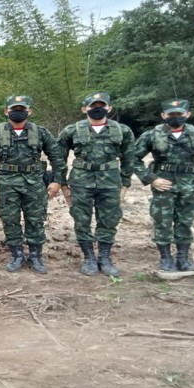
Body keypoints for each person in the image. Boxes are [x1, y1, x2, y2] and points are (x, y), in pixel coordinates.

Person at [0, 95, 66, 274]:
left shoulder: (41, 132)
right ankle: (16, 254)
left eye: (22, 109)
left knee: (36, 218)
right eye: (14, 109)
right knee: (10, 219)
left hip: (34, 182)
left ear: (29, 111)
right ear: (6, 111)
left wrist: (57, 181)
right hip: (6, 183)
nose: (18, 112)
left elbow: (57, 157)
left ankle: (35, 255)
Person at [133, 99, 194, 271]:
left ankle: (183, 258)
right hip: (163, 185)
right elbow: (133, 158)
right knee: (162, 222)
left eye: (179, 114)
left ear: (187, 114)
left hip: (190, 185)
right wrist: (152, 179)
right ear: (163, 115)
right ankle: (165, 258)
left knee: (185, 222)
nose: (175, 118)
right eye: (171, 115)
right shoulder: (151, 135)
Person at [58, 92, 135, 277]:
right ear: (85, 109)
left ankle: (105, 258)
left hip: (110, 181)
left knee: (109, 220)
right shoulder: (71, 131)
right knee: (81, 220)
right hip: (81, 181)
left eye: (102, 105)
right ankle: (89, 258)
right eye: (93, 106)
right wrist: (63, 185)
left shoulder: (122, 131)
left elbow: (129, 158)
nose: (97, 109)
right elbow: (59, 158)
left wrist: (125, 184)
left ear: (109, 108)